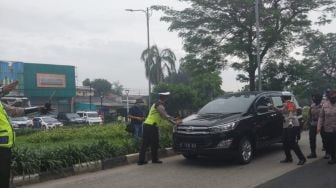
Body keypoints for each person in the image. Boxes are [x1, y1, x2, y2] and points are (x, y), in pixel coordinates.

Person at [0, 81, 52, 188]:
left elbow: (15, 111)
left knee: (3, 179)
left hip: (5, 147)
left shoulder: (0, 104)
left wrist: (38, 109)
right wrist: (3, 90)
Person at [138, 92, 180, 165]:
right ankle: (150, 159)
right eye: (167, 97)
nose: (167, 99)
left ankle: (147, 160)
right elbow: (165, 116)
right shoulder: (159, 105)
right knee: (151, 143)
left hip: (148, 125)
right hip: (151, 126)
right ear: (164, 97)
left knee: (150, 143)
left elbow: (164, 117)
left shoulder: (156, 104)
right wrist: (175, 121)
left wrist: (174, 122)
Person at [274, 95, 306, 165]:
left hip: (292, 124)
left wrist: (290, 122)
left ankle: (302, 158)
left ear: (284, 99)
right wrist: (274, 107)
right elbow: (281, 111)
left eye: (281, 99)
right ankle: (288, 157)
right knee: (284, 141)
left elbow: (290, 112)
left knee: (292, 142)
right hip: (286, 125)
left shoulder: (290, 104)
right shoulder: (286, 105)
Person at [317, 90, 336, 164]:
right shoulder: (325, 105)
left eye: (335, 97)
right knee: (329, 144)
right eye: (332, 97)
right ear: (329, 97)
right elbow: (321, 117)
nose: (333, 98)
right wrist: (319, 127)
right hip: (328, 128)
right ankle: (333, 157)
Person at [307, 93, 323, 159]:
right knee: (312, 138)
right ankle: (313, 153)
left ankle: (328, 152)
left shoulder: (323, 105)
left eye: (315, 97)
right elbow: (310, 114)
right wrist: (309, 122)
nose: (313, 99)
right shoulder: (312, 105)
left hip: (322, 123)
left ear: (319, 98)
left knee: (325, 138)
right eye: (313, 97)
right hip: (313, 123)